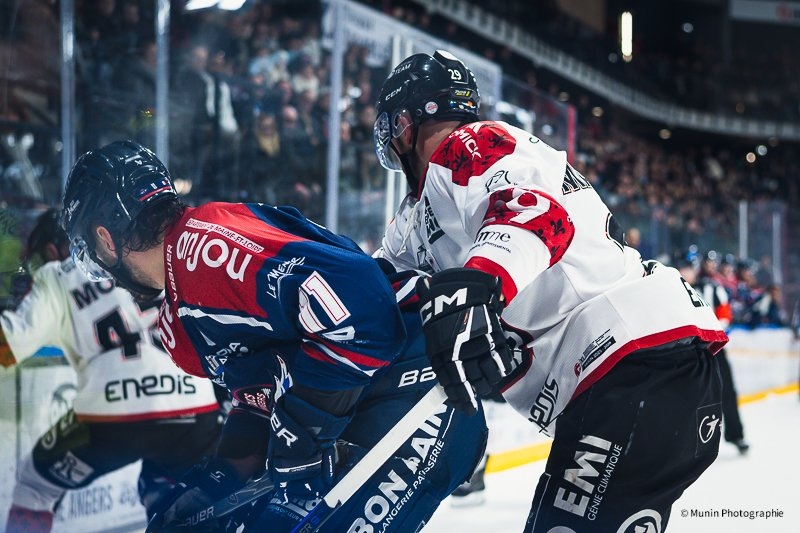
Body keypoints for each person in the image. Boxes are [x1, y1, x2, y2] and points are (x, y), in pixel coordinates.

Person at [373, 50, 729, 532]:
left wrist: (480, 286)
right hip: (637, 378)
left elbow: (540, 216)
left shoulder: (469, 145)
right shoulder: (414, 216)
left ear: (405, 121)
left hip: (635, 366)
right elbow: (379, 289)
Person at [59, 140, 487, 531]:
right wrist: (219, 480)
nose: (101, 273)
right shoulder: (178, 316)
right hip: (369, 403)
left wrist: (304, 434)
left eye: (90, 255)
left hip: (420, 394)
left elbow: (367, 313)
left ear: (105, 238)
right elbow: (258, 394)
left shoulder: (205, 249)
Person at [0, 208, 224, 533]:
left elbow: (10, 345)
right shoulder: (146, 254)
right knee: (202, 490)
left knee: (35, 487)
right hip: (193, 405)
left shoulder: (57, 274)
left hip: (111, 416)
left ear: (52, 249)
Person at [696, 255, 749, 454]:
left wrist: (712, 332)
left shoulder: (715, 288)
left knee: (727, 391)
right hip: (692, 350)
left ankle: (736, 435)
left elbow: (725, 314)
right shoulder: (682, 286)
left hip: (715, 348)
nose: (711, 266)